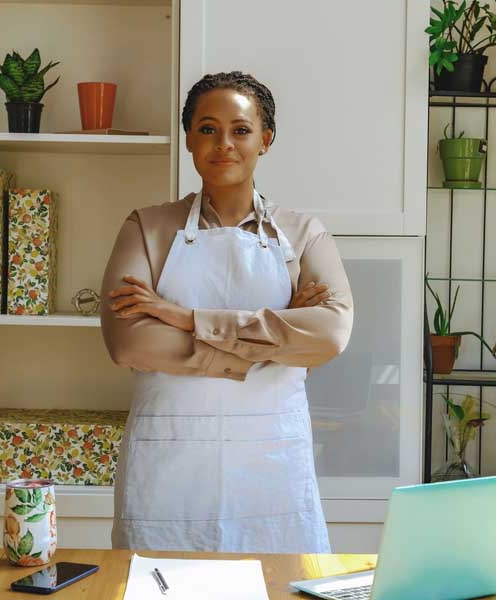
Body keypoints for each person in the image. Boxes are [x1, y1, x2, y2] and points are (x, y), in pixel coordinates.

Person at [100, 71, 353, 554]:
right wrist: (276, 338)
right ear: (190, 139)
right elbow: (128, 342)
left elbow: (330, 336)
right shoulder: (147, 227)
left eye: (241, 130)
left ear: (266, 140)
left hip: (272, 464)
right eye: (207, 129)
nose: (224, 144)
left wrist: (184, 318)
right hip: (168, 464)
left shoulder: (303, 233)